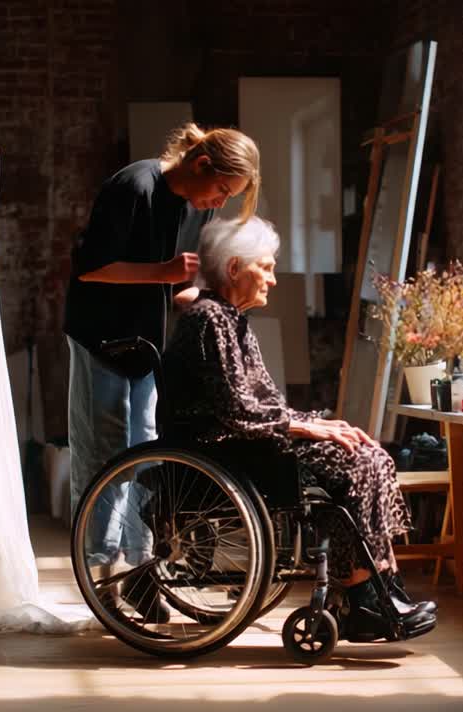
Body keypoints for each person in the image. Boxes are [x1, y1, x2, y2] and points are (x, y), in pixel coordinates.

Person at [161, 216, 437, 638]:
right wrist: (310, 430)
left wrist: (321, 423)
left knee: (370, 454)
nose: (272, 279)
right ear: (235, 268)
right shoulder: (210, 320)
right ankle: (364, 597)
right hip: (222, 446)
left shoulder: (229, 318)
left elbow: (266, 402)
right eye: (266, 267)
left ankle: (382, 586)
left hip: (245, 438)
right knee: (354, 464)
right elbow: (238, 411)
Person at [64, 123, 260, 571]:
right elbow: (92, 270)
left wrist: (222, 300)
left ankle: (141, 566)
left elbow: (174, 287)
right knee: (105, 453)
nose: (220, 202)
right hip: (100, 335)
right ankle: (100, 567)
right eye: (222, 189)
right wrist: (163, 273)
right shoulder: (134, 185)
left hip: (145, 341)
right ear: (201, 164)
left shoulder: (197, 208)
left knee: (147, 452)